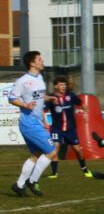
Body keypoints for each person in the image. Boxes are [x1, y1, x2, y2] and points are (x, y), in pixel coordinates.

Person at [9, 51, 58, 197]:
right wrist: (25, 105)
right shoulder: (23, 81)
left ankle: (19, 185)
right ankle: (32, 180)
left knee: (36, 154)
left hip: (35, 122)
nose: (42, 60)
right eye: (39, 59)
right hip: (29, 123)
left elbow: (39, 97)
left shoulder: (40, 78)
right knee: (52, 151)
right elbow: (12, 98)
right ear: (32, 63)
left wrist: (48, 98)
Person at [44, 76, 93, 178]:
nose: (64, 86)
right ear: (55, 86)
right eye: (61, 85)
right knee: (55, 148)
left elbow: (82, 103)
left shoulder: (70, 96)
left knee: (78, 149)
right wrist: (45, 122)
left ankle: (84, 169)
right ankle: (54, 173)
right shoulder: (51, 98)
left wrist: (86, 113)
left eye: (65, 84)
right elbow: (43, 111)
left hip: (70, 129)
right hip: (57, 128)